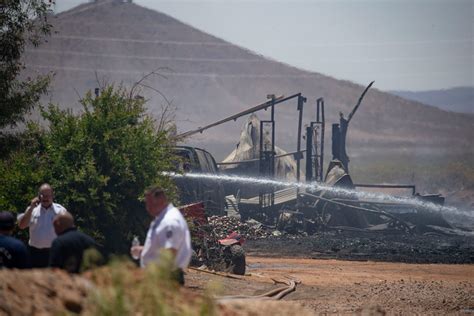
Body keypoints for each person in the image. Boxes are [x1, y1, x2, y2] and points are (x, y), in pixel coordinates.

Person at [131, 186, 192, 285]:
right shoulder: (162, 219)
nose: (148, 208)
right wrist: (143, 250)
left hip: (166, 277)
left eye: (151, 203)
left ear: (161, 200)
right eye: (147, 204)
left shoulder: (170, 222)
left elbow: (170, 253)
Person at [17, 183, 67, 268]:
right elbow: (22, 226)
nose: (45, 198)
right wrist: (31, 208)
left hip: (54, 252)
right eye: (43, 195)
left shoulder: (60, 210)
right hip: (34, 253)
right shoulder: (32, 210)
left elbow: (67, 231)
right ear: (38, 196)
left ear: (52, 196)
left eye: (48, 195)